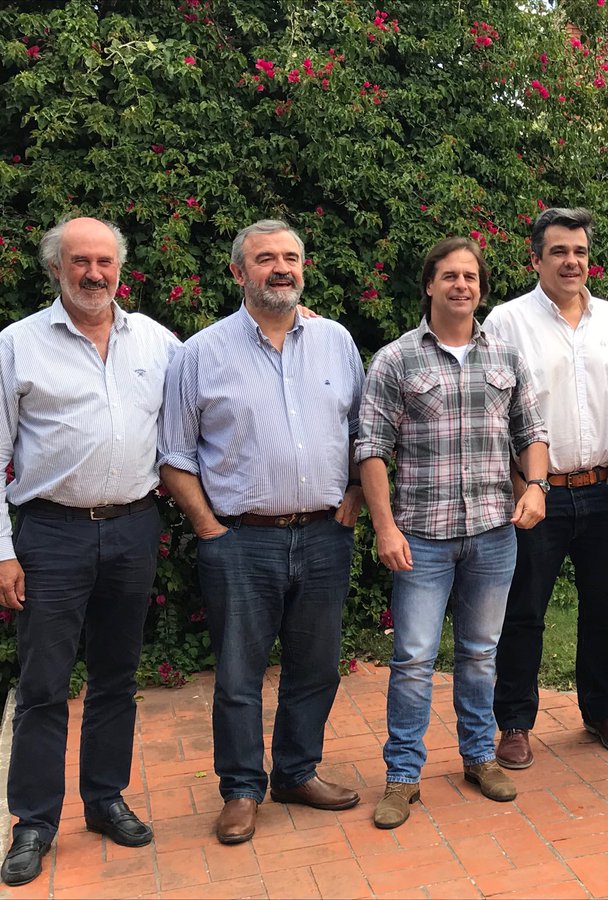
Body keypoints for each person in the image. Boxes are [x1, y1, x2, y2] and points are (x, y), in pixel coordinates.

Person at [158, 219, 365, 845]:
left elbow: (364, 434)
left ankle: (297, 771)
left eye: (292, 257)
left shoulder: (336, 342)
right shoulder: (199, 353)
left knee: (317, 666)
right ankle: (242, 789)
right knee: (240, 674)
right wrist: (209, 528)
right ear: (238, 272)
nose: (282, 268)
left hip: (326, 534)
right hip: (241, 540)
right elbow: (175, 455)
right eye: (265, 258)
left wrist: (354, 499)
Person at [0, 217, 179, 887]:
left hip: (133, 527)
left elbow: (222, 370)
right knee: (44, 685)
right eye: (81, 261)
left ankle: (104, 799)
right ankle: (35, 822)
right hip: (51, 533)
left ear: (120, 268)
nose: (94, 273)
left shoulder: (157, 342)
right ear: (55, 269)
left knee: (115, 677)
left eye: (105, 260)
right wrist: (2, 551)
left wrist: (285, 315)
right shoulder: (16, 347)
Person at [357, 237, 549, 829]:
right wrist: (384, 527)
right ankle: (402, 776)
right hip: (423, 537)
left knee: (481, 652)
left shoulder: (507, 358)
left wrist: (537, 485)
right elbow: (370, 449)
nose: (461, 285)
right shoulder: (395, 360)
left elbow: (532, 431)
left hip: (494, 532)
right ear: (429, 285)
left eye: (470, 276)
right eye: (449, 276)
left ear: (480, 288)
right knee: (413, 657)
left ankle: (478, 757)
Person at [486, 208, 608, 769]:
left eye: (579, 251)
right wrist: (525, 482)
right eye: (558, 252)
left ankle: (603, 712)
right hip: (536, 492)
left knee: (605, 610)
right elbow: (494, 410)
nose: (571, 261)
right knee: (524, 611)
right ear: (535, 259)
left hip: (606, 490)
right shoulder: (505, 321)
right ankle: (515, 723)